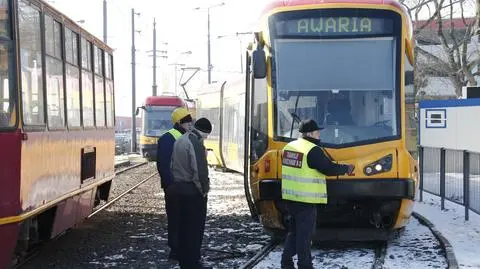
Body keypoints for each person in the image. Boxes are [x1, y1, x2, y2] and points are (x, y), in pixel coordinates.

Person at [280, 119, 355, 269]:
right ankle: (305, 265)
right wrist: (346, 169)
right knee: (304, 236)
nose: (319, 134)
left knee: (294, 233)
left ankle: (286, 263)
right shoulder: (312, 150)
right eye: (317, 132)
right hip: (305, 199)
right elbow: (327, 168)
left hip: (290, 197)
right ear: (309, 134)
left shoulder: (289, 147)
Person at [170, 117, 213, 269]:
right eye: (206, 135)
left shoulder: (180, 140)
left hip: (178, 189)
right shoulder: (195, 142)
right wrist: (204, 191)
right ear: (204, 132)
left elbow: (172, 165)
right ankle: (193, 262)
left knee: (182, 227)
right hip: (192, 192)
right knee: (194, 230)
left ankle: (184, 261)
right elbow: (199, 171)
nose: (205, 138)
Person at [156, 107, 193, 261]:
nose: (190, 124)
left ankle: (183, 247)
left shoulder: (187, 137)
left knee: (185, 218)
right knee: (176, 218)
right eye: (187, 121)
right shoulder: (168, 138)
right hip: (174, 186)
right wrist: (169, 184)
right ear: (179, 122)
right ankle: (176, 249)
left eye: (191, 120)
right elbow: (163, 163)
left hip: (185, 185)